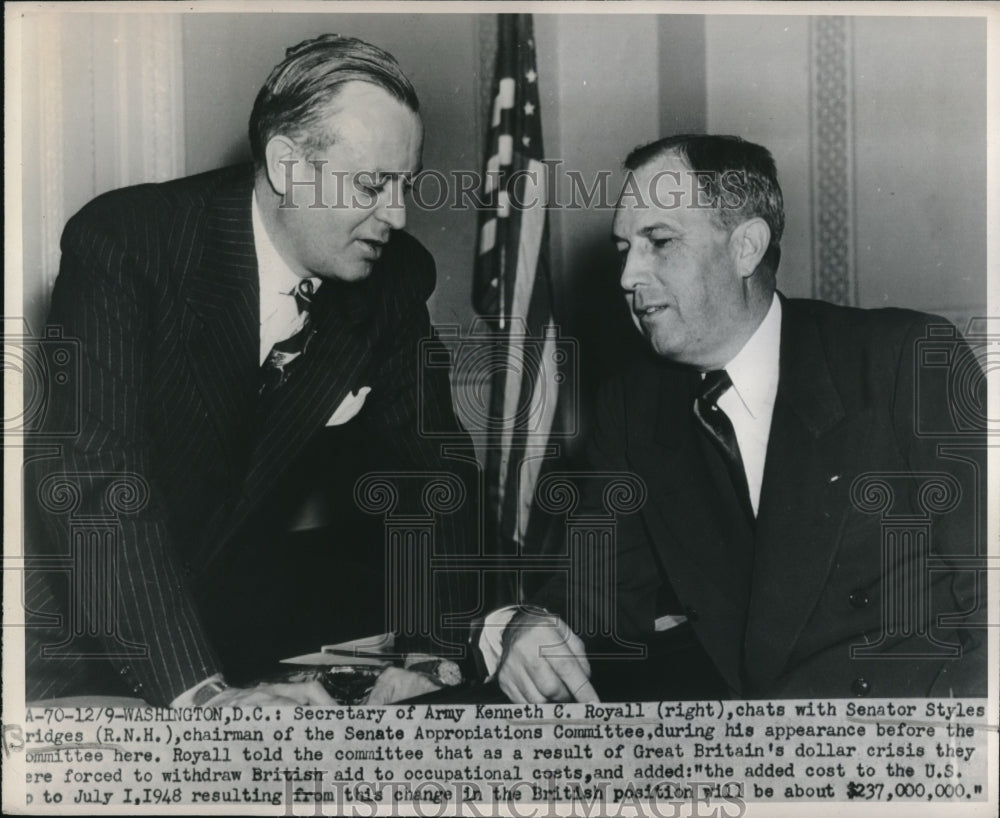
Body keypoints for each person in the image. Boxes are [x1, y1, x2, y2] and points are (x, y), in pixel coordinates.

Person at [24, 35, 476, 707]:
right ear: (289, 165)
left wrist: (432, 652)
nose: (399, 216)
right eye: (373, 185)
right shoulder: (129, 243)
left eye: (405, 185)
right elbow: (97, 484)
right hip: (54, 645)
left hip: (219, 637)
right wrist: (201, 695)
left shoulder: (393, 278)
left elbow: (429, 475)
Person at [492, 134, 986, 703]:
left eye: (659, 241)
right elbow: (596, 591)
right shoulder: (631, 409)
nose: (628, 275)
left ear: (746, 247)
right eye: (624, 248)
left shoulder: (905, 361)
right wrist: (536, 624)